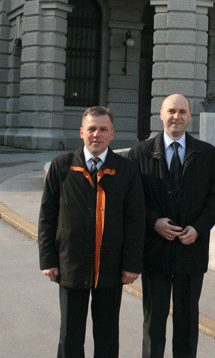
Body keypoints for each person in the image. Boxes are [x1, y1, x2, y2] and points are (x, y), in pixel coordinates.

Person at [38, 106, 145, 358]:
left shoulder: (126, 170)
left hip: (110, 266)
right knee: (70, 336)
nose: (97, 134)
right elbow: (47, 217)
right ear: (81, 133)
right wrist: (48, 259)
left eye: (103, 129)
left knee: (107, 337)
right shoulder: (62, 166)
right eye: (92, 129)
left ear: (112, 134)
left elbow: (135, 220)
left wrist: (132, 264)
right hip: (70, 265)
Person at [129, 94, 215, 358]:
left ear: (190, 117)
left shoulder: (207, 154)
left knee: (187, 322)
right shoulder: (140, 154)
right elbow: (133, 201)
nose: (176, 116)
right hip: (155, 250)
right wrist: (154, 222)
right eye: (171, 111)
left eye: (182, 111)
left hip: (191, 250)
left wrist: (199, 227)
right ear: (160, 115)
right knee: (154, 323)